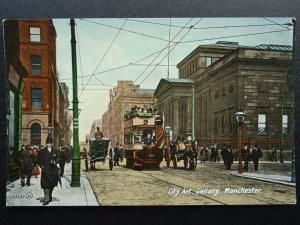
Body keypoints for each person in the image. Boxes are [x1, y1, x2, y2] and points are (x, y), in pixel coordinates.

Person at [37, 137, 60, 205]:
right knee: (46, 185)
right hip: (45, 171)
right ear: (46, 144)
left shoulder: (55, 151)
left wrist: (55, 161)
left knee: (52, 185)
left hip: (53, 171)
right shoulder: (42, 151)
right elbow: (38, 160)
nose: (49, 145)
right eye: (47, 143)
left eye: (50, 143)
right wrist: (42, 166)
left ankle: (50, 195)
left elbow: (58, 159)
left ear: (51, 144)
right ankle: (46, 199)